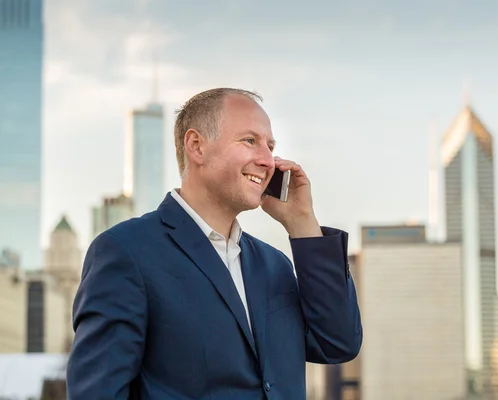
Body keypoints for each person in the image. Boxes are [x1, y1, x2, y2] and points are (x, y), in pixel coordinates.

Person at [66, 88, 362, 400]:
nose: (267, 160)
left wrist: (303, 222)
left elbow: (337, 343)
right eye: (250, 141)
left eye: (270, 146)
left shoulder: (274, 264)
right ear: (196, 146)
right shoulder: (127, 252)